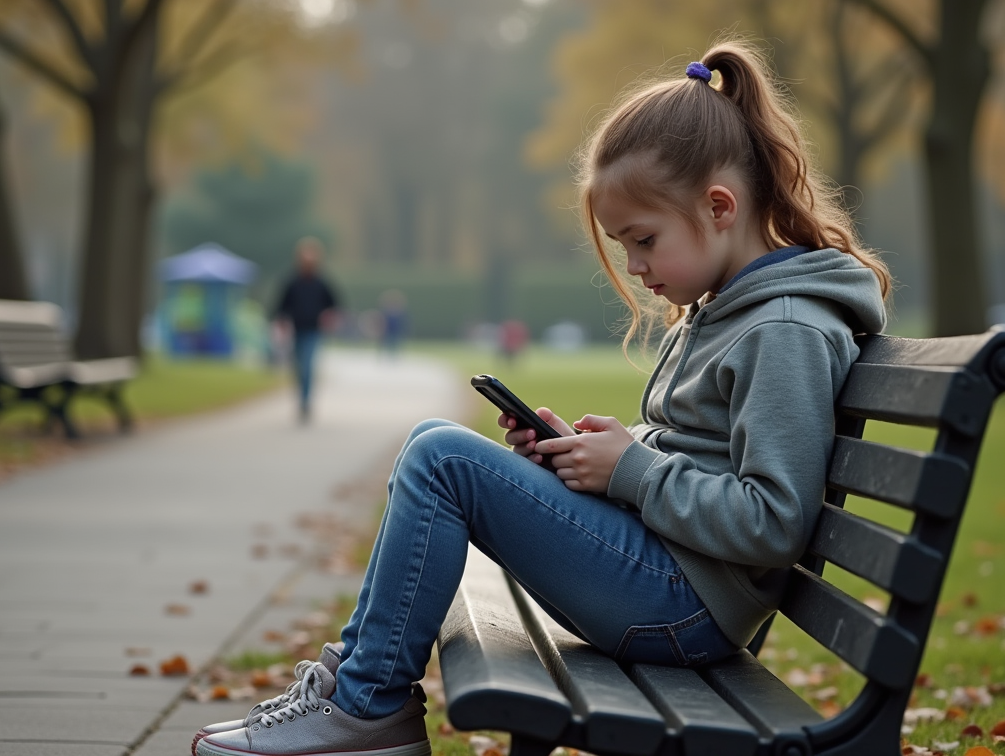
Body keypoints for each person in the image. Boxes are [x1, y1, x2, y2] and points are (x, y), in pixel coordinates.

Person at [194, 40, 890, 756]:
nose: (637, 267)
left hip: (686, 611)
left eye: (643, 240)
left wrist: (631, 470)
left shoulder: (782, 329)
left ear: (719, 206)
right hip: (674, 584)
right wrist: (586, 454)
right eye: (626, 247)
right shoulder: (734, 308)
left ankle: (365, 706)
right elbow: (697, 454)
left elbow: (773, 522)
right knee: (436, 449)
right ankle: (355, 692)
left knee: (442, 458)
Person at [274, 238, 340, 422]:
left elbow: (334, 304)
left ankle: (305, 401)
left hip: (313, 331)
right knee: (298, 367)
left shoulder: (321, 283)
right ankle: (301, 398)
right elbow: (282, 305)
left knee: (308, 366)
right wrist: (280, 321)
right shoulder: (292, 281)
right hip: (296, 330)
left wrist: (329, 317)